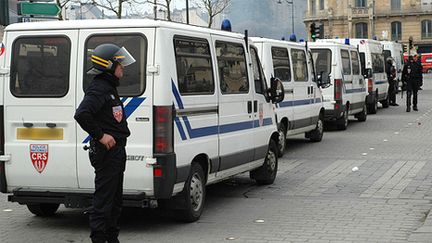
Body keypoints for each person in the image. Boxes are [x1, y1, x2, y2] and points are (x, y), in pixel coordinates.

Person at [74, 43, 136, 243]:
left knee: (115, 201)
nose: (123, 68)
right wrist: (101, 136)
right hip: (107, 153)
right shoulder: (99, 88)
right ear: (108, 66)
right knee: (103, 201)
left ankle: (112, 237)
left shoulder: (109, 87)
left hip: (117, 152)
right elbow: (82, 114)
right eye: (120, 64)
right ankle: (99, 238)